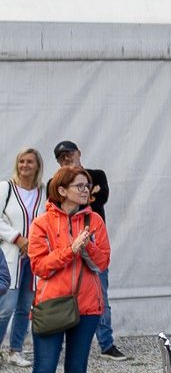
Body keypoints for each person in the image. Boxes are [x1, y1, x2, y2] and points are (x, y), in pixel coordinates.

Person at [23, 165, 110, 373]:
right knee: (44, 371)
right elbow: (39, 266)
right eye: (79, 186)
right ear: (62, 190)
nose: (86, 191)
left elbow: (102, 263)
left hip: (88, 307)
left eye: (87, 186)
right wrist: (70, 250)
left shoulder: (94, 220)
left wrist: (86, 248)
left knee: (76, 372)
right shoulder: (42, 224)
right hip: (52, 306)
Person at [52, 142, 123, 361]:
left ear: (78, 153)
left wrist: (79, 193)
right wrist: (86, 193)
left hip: (93, 240)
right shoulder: (55, 183)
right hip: (66, 240)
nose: (66, 158)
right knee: (64, 293)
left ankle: (106, 344)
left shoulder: (97, 174)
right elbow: (62, 204)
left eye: (69, 153)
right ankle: (59, 345)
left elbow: (98, 199)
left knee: (100, 293)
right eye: (61, 156)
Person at [1, 148, 47, 367]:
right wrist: (18, 238)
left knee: (25, 307)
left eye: (30, 161)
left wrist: (36, 244)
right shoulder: (6, 188)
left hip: (35, 257)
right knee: (6, 306)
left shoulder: (43, 191)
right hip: (12, 255)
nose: (25, 165)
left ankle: (15, 351)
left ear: (37, 165)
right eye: (21, 161)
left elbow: (49, 220)